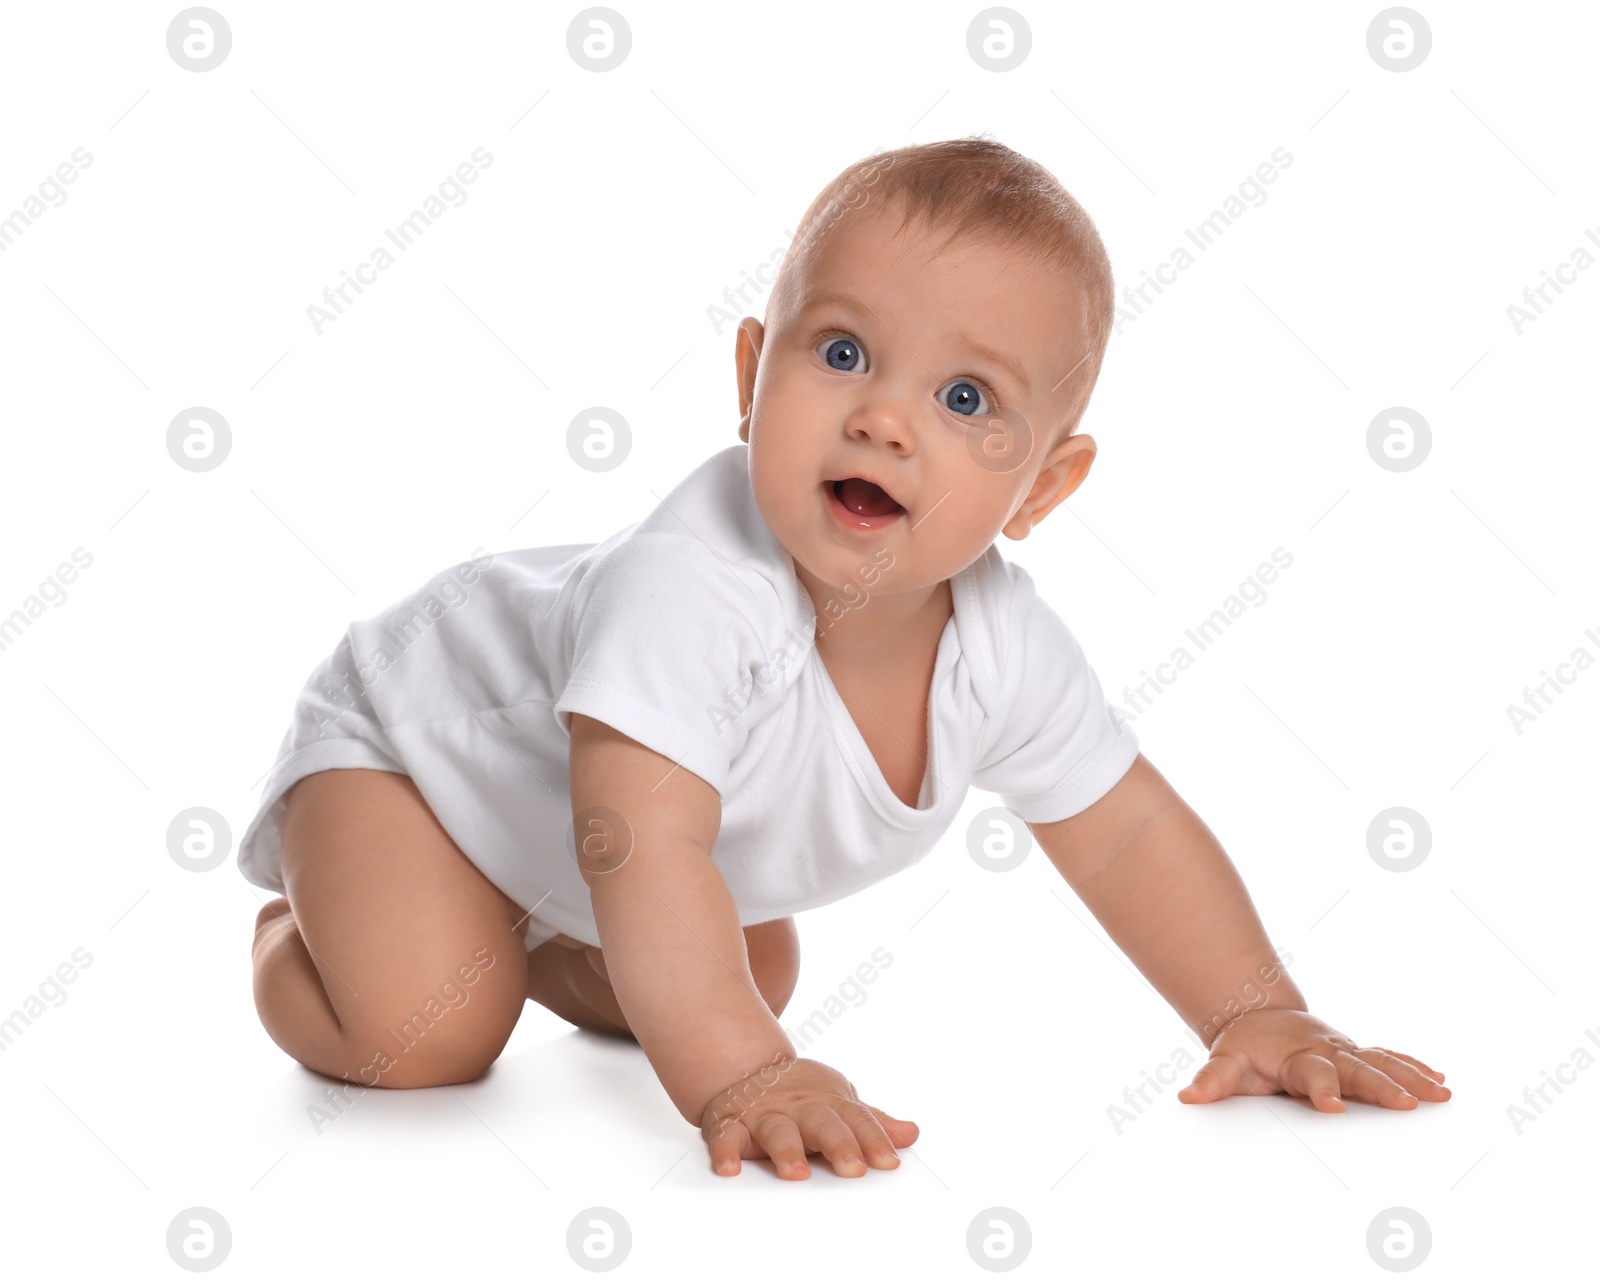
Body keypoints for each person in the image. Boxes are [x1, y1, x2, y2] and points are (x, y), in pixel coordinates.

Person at [244, 135, 1450, 1181]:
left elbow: (1126, 831)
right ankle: (301, 926)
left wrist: (1259, 1012)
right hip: (407, 758)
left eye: (967, 396)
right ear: (748, 381)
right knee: (427, 1032)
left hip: (553, 844)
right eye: (839, 354)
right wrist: (743, 1076)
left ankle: (535, 938)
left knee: (741, 956)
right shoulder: (693, 588)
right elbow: (635, 839)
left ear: (1042, 486)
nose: (884, 417)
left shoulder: (999, 645)